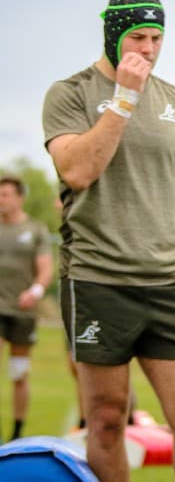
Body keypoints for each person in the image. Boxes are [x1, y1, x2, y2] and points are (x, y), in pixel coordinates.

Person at [42, 0, 175, 481]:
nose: (147, 48)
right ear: (112, 35)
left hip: (168, 284)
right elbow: (78, 171)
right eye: (136, 37)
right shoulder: (70, 93)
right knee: (103, 420)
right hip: (97, 280)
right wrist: (123, 100)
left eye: (156, 37)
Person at [0, 175, 53, 442]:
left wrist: (35, 291)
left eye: (6, 194)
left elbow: (45, 268)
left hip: (22, 312)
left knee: (18, 373)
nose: (1, 199)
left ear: (20, 197)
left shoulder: (34, 229)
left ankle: (17, 431)